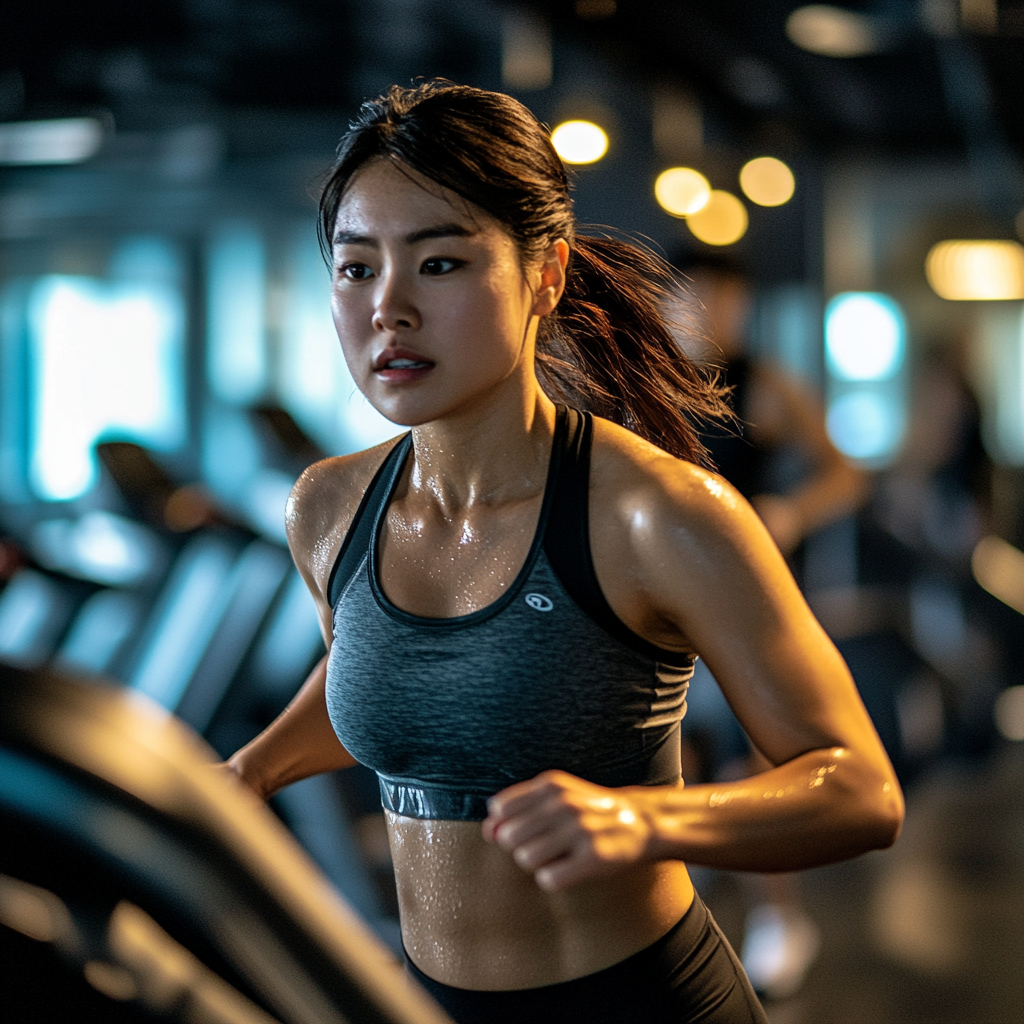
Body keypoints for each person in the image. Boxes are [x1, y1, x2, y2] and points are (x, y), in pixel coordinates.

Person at [226, 81, 903, 1024]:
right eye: (355, 269)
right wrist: (245, 777)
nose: (389, 308)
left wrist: (646, 819)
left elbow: (863, 792)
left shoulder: (657, 514)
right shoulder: (328, 508)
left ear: (545, 275)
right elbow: (388, 679)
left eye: (442, 263)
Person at [679, 255, 870, 1000]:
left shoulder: (758, 382)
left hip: (743, 599)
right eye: (697, 298)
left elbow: (843, 472)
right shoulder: (644, 381)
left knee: (749, 758)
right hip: (658, 600)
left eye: (728, 300)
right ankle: (685, 907)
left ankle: (777, 919)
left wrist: (790, 513)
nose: (712, 313)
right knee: (669, 754)